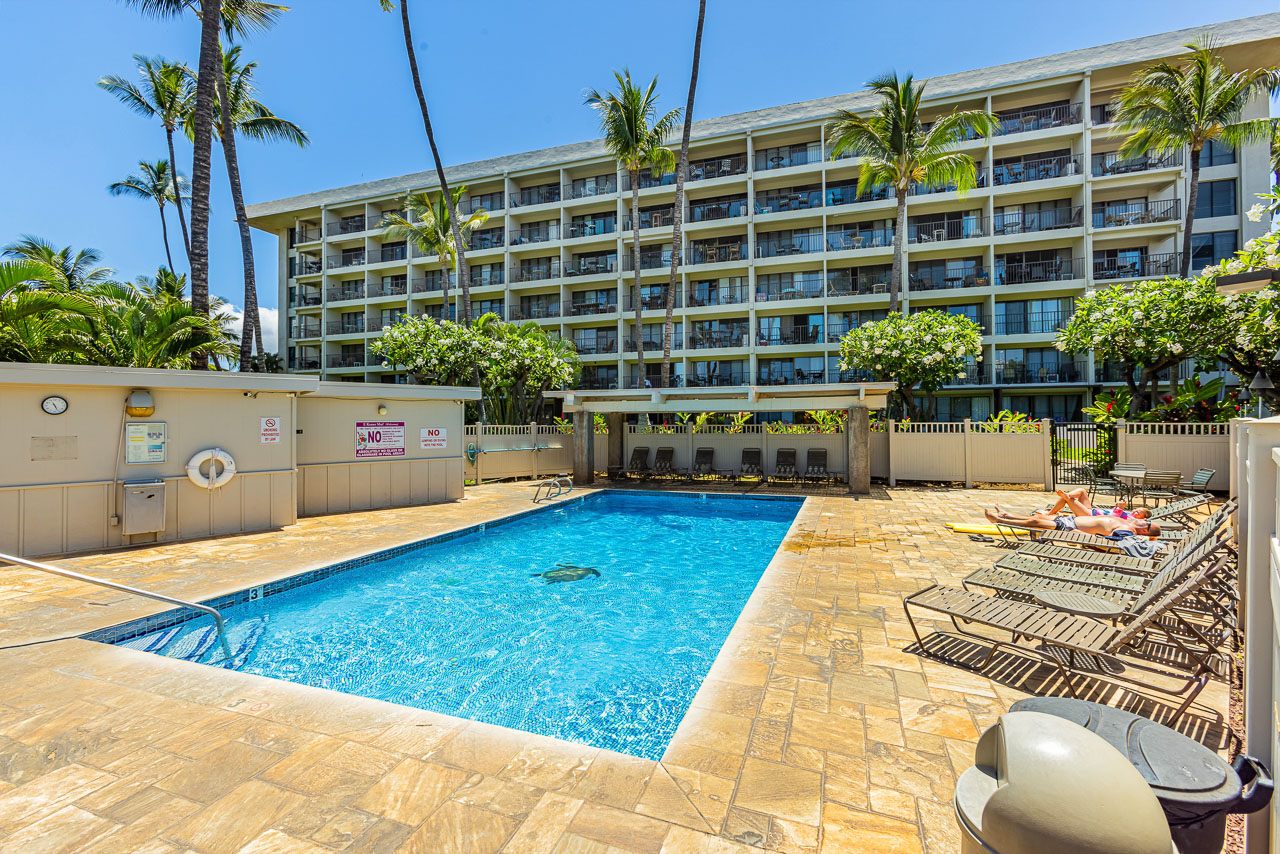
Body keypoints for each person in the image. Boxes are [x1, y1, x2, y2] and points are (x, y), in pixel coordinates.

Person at [984, 506, 1161, 538]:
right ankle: (1007, 515)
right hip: (1071, 520)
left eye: (1147, 524)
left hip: (1071, 527)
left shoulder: (1128, 532)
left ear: (1145, 531)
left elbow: (1110, 541)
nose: (1145, 521)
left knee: (1035, 522)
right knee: (1037, 518)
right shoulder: (1129, 523)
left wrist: (1080, 535)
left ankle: (998, 520)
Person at [1035, 488, 1151, 520]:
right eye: (1136, 509)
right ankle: (1067, 495)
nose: (1135, 511)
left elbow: (1112, 520)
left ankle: (1051, 513)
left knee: (1068, 499)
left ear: (1143, 518)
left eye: (1138, 512)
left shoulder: (1132, 521)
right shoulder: (1129, 515)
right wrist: (1117, 507)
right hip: (1092, 512)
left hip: (1090, 518)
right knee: (1082, 491)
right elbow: (1112, 513)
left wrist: (1119, 509)